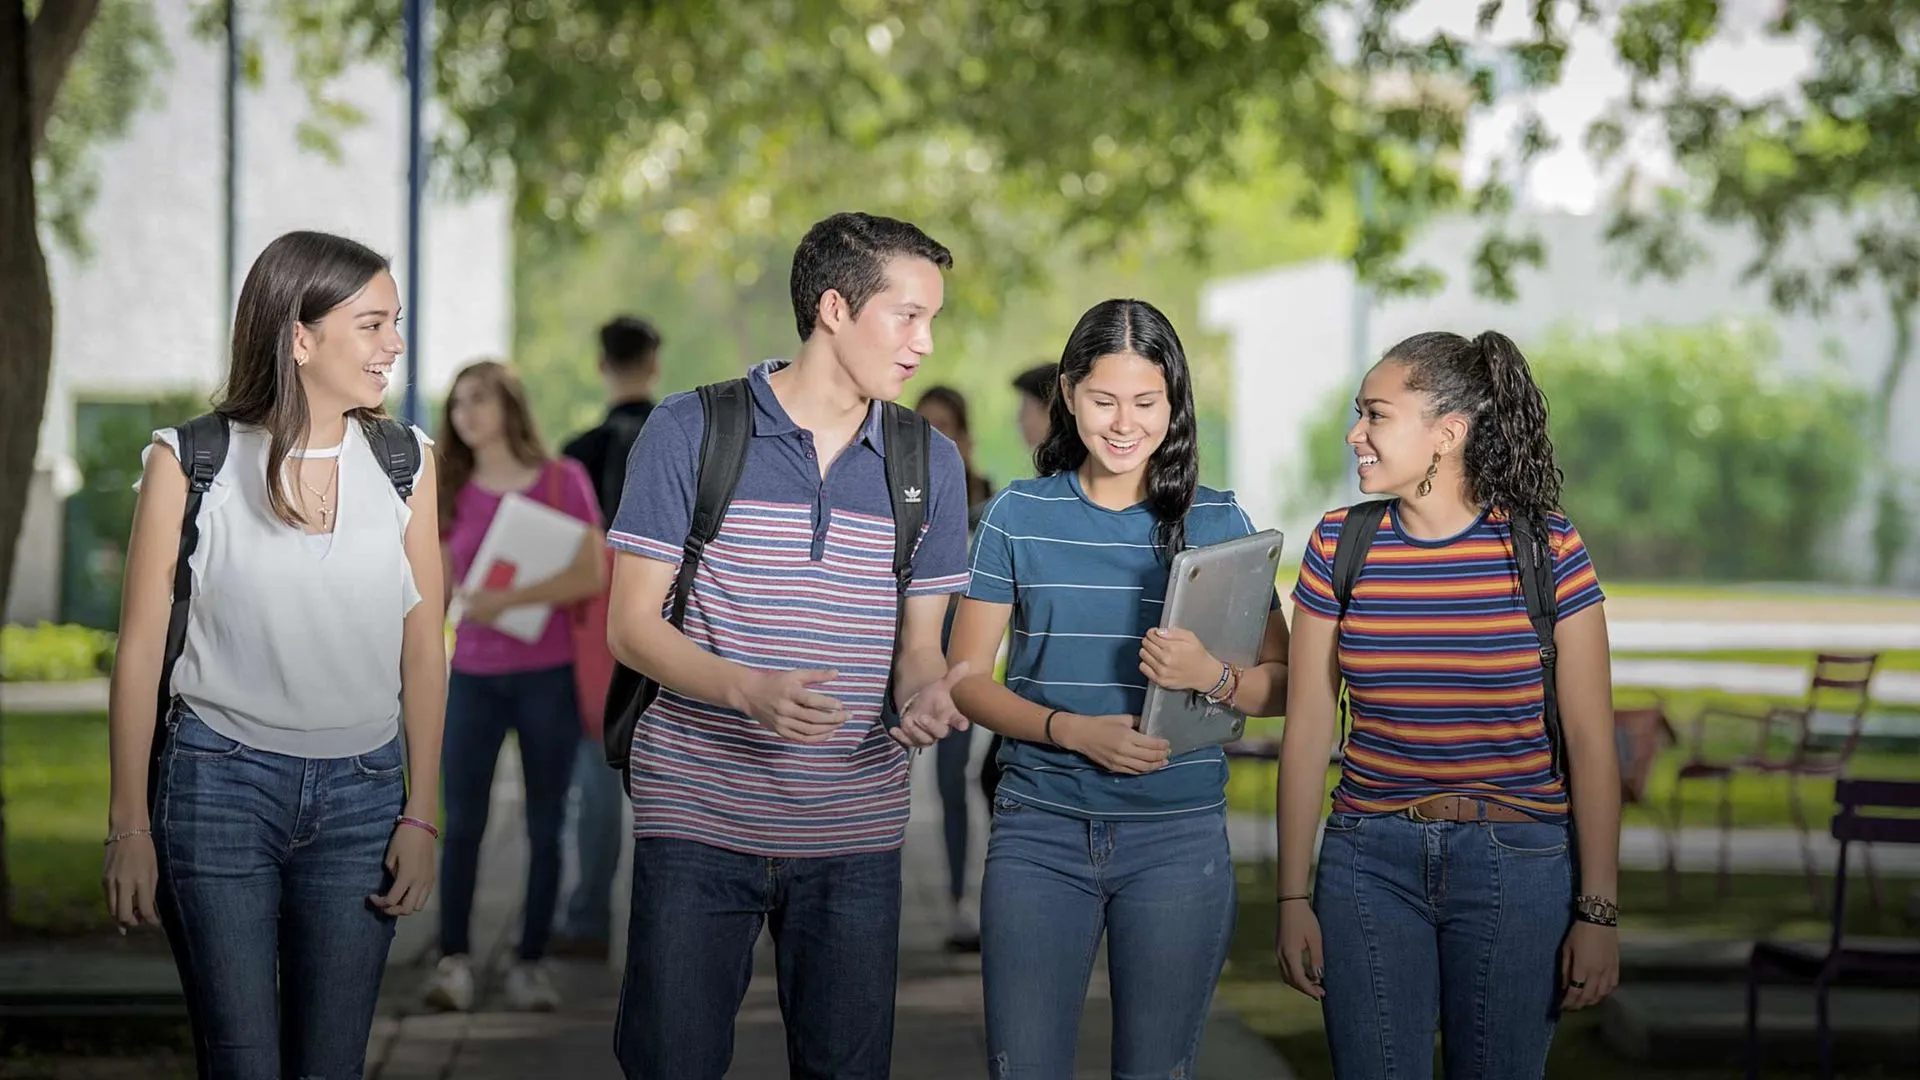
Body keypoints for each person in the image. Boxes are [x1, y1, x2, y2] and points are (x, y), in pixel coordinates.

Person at [606, 211, 973, 1079]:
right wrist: (747, 689)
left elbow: (920, 648)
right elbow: (630, 627)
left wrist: (929, 693)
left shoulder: (930, 463)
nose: (924, 343)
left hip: (855, 831)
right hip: (697, 817)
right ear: (835, 309)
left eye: (932, 320)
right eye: (907, 316)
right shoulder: (691, 430)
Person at [100, 230, 443, 1076]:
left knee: (331, 1064)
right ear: (299, 338)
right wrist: (128, 825)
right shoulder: (189, 462)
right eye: (371, 325)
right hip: (218, 789)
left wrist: (421, 812)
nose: (393, 344)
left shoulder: (407, 463)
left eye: (394, 322)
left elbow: (424, 651)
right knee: (242, 1061)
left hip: (363, 798)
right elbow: (138, 654)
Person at [947, 298, 1291, 1076]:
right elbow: (965, 680)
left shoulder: (1220, 522)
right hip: (1040, 833)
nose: (1125, 423)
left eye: (1146, 402)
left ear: (1175, 402)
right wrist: (1070, 730)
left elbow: (1283, 686)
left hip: (1178, 840)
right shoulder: (1016, 516)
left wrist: (1213, 677)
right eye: (1104, 400)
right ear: (1069, 394)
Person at [1275, 330, 1622, 1078]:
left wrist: (1597, 912)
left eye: (1376, 415)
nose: (1355, 433)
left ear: (1448, 433)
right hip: (1368, 864)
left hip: (1520, 866)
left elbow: (1593, 744)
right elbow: (1305, 732)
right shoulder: (1338, 545)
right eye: (1359, 413)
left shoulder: (1547, 548)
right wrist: (1290, 896)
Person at [422, 359, 606, 1013]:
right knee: (462, 823)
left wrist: (510, 599)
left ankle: (530, 961)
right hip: (473, 678)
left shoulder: (563, 479)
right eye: (458, 402)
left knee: (546, 823)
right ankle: (453, 960)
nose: (466, 413)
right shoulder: (448, 487)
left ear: (510, 406)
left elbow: (592, 572)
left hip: (546, 678)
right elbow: (440, 591)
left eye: (480, 399)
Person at [552, 315, 663, 958]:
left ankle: (588, 918)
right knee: (675, 785)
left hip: (593, 635)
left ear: (600, 365)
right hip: (676, 630)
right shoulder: (683, 438)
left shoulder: (576, 453)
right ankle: (670, 925)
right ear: (654, 363)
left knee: (595, 777)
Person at [912, 384, 995, 953]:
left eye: (944, 426)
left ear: (964, 436)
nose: (933, 438)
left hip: (958, 658)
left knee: (952, 778)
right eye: (924, 425)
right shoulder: (899, 490)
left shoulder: (987, 502)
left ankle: (962, 899)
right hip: (898, 653)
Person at [975, 361, 1058, 804]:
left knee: (995, 774)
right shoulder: (1017, 506)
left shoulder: (1042, 507)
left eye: (1025, 408)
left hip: (1043, 694)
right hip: (1023, 687)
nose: (1018, 420)